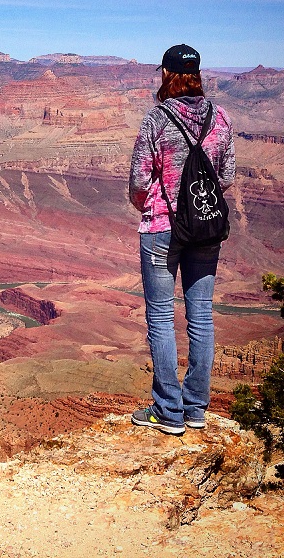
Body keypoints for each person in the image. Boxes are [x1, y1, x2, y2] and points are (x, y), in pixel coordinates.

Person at [128, 44, 235, 435]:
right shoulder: (220, 117)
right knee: (201, 314)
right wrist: (197, 203)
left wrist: (154, 203)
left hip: (161, 228)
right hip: (205, 226)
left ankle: (167, 412)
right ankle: (195, 409)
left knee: (160, 315)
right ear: (197, 74)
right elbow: (227, 175)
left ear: (167, 74)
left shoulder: (157, 119)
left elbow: (140, 181)